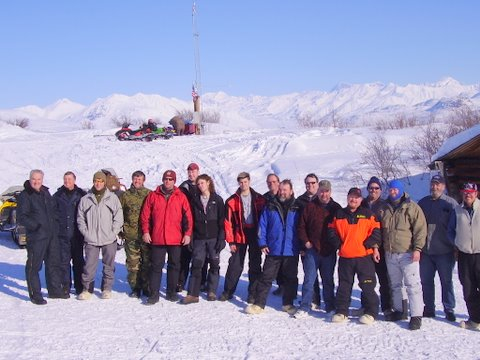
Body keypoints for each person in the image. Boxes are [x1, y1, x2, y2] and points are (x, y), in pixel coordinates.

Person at [245, 180, 300, 315]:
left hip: (290, 249)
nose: (282, 192)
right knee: (266, 277)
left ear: (291, 191)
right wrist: (262, 243)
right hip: (273, 248)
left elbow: (302, 228)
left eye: (285, 190)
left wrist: (302, 245)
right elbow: (262, 226)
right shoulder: (270, 206)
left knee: (291, 278)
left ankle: (288, 304)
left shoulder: (297, 207)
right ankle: (259, 304)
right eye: (281, 189)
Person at [328, 187, 381, 324]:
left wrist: (367, 245)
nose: (353, 199)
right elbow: (331, 231)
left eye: (356, 197)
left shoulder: (368, 214)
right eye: (351, 197)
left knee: (367, 285)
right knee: (344, 286)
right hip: (346, 257)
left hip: (364, 257)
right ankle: (342, 311)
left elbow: (376, 230)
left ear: (361, 199)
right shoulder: (339, 214)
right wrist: (339, 245)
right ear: (347, 198)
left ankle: (371, 312)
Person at [379, 179, 427, 330]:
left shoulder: (411, 207)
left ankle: (416, 315)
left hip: (408, 253)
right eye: (391, 189)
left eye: (395, 189)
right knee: (395, 285)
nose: (392, 192)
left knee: (413, 285)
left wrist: (418, 249)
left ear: (400, 190)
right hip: (390, 253)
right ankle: (400, 311)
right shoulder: (384, 208)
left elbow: (420, 229)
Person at [140, 170, 193, 304]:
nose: (167, 181)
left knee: (174, 266)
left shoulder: (180, 196)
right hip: (157, 238)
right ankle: (154, 294)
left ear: (174, 181)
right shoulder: (153, 196)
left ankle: (171, 292)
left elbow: (188, 217)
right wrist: (146, 232)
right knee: (156, 266)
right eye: (166, 179)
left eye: (170, 179)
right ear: (163, 180)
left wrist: (187, 234)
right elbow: (145, 216)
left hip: (175, 238)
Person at [17, 169, 65, 304]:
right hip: (37, 237)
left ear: (42, 180)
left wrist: (55, 226)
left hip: (51, 236)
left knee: (53, 264)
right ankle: (35, 295)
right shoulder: (25, 195)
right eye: (34, 179)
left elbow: (53, 210)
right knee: (34, 267)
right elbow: (22, 217)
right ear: (30, 179)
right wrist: (36, 227)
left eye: (39, 179)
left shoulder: (45, 192)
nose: (36, 182)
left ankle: (55, 291)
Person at [77, 171, 124, 300]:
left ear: (105, 183)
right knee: (89, 266)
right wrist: (86, 232)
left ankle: (107, 289)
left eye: (101, 181)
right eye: (96, 181)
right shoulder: (86, 199)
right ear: (93, 182)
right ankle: (87, 289)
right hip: (91, 239)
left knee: (109, 266)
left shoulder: (112, 198)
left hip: (108, 238)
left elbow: (118, 216)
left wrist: (114, 231)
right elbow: (80, 218)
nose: (98, 183)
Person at [220, 172, 266, 303]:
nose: (243, 184)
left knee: (255, 264)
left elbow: (264, 220)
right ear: (238, 183)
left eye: (245, 182)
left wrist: (263, 238)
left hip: (255, 234)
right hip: (240, 234)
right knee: (235, 264)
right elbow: (227, 223)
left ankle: (253, 293)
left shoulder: (259, 199)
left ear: (249, 181)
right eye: (241, 182)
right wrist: (231, 241)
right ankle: (228, 291)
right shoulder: (232, 200)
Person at [297, 180, 340, 316]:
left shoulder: (336, 208)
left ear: (330, 192)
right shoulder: (310, 206)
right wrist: (306, 242)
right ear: (318, 191)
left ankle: (330, 306)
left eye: (326, 191)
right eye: (321, 191)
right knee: (309, 279)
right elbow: (301, 226)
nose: (324, 194)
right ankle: (305, 306)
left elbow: (342, 229)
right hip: (312, 250)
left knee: (328, 280)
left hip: (328, 251)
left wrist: (337, 245)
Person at [354, 176, 395, 319]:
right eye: (371, 188)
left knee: (384, 278)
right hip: (365, 248)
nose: (373, 190)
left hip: (381, 247)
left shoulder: (385, 205)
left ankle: (387, 306)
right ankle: (365, 305)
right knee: (366, 279)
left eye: (376, 188)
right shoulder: (362, 204)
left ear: (380, 190)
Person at [418, 174, 458, 321]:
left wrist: (455, 247)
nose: (435, 187)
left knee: (446, 281)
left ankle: (449, 308)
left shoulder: (450, 204)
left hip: (445, 251)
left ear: (443, 186)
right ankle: (429, 308)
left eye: (438, 184)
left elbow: (457, 227)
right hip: (426, 251)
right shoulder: (423, 203)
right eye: (433, 184)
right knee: (426, 281)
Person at [182, 174, 225, 304]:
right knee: (196, 265)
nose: (200, 186)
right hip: (199, 238)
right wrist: (190, 236)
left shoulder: (217, 200)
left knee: (214, 264)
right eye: (198, 184)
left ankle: (211, 290)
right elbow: (190, 220)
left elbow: (222, 221)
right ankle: (193, 294)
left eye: (202, 183)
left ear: (208, 183)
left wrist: (221, 238)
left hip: (213, 238)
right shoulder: (195, 200)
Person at [448, 182, 480, 330]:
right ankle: (475, 320)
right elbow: (450, 231)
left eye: (471, 192)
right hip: (465, 255)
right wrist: (457, 243)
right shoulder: (457, 210)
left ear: (476, 193)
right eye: (466, 192)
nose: (468, 194)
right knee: (468, 288)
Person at [53, 171, 86, 296]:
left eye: (70, 179)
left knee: (78, 262)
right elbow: (53, 215)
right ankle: (65, 286)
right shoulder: (57, 195)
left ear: (74, 180)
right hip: (62, 234)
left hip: (77, 235)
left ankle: (79, 286)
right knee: (64, 262)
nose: (67, 181)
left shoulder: (82, 195)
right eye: (65, 179)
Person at [120, 170, 151, 298]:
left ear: (143, 180)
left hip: (146, 235)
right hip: (131, 235)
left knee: (147, 262)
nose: (137, 181)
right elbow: (118, 213)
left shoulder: (149, 194)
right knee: (133, 264)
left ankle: (146, 286)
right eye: (135, 179)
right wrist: (120, 230)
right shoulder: (125, 195)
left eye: (140, 179)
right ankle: (135, 288)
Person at [177, 162, 200, 293]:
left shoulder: (203, 184)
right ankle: (180, 282)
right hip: (186, 225)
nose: (191, 174)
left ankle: (201, 282)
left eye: (194, 171)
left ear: (198, 172)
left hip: (201, 226)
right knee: (184, 256)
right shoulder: (183, 187)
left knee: (200, 256)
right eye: (189, 172)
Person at [263, 173, 284, 296]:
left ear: (278, 182)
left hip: (283, 236)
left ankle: (283, 286)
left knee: (284, 265)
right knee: (270, 265)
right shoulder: (264, 198)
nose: (272, 184)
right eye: (269, 182)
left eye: (274, 182)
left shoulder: (284, 195)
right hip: (271, 237)